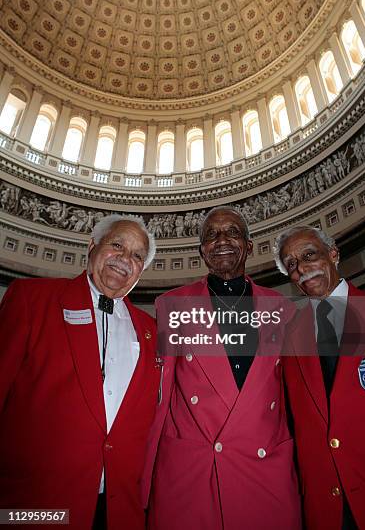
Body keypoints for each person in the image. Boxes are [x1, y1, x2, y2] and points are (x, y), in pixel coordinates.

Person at [142, 206, 301, 530]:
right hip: (191, 473)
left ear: (249, 245)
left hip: (264, 468)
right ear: (202, 251)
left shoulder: (282, 309)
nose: (222, 240)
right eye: (211, 235)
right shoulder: (172, 305)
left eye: (232, 232)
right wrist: (143, 481)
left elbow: (292, 399)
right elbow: (160, 399)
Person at [0, 214, 161, 530]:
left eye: (137, 255)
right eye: (117, 245)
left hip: (119, 512)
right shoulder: (32, 299)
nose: (125, 259)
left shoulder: (151, 331)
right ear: (92, 246)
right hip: (36, 510)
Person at [274, 225, 365, 530]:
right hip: (325, 510)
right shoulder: (287, 338)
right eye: (292, 265)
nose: (302, 269)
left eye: (309, 255)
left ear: (333, 254)